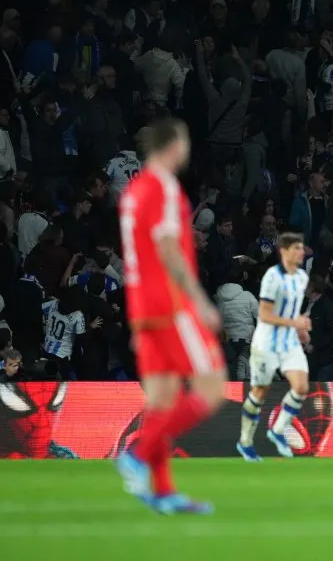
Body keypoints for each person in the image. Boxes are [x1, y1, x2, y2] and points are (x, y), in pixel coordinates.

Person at [115, 118, 226, 515]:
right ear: (174, 144)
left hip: (143, 308)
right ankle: (137, 456)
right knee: (213, 388)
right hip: (172, 305)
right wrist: (199, 300)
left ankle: (163, 492)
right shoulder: (163, 186)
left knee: (162, 402)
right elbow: (167, 249)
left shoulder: (134, 190)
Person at [236, 232, 312, 461]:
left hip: (288, 340)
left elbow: (291, 311)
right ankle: (245, 441)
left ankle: (277, 430)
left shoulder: (301, 277)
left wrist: (299, 330)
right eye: (296, 248)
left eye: (302, 248)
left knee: (300, 387)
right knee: (259, 393)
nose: (302, 252)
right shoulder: (272, 277)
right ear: (284, 252)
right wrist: (295, 323)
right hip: (266, 341)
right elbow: (265, 314)